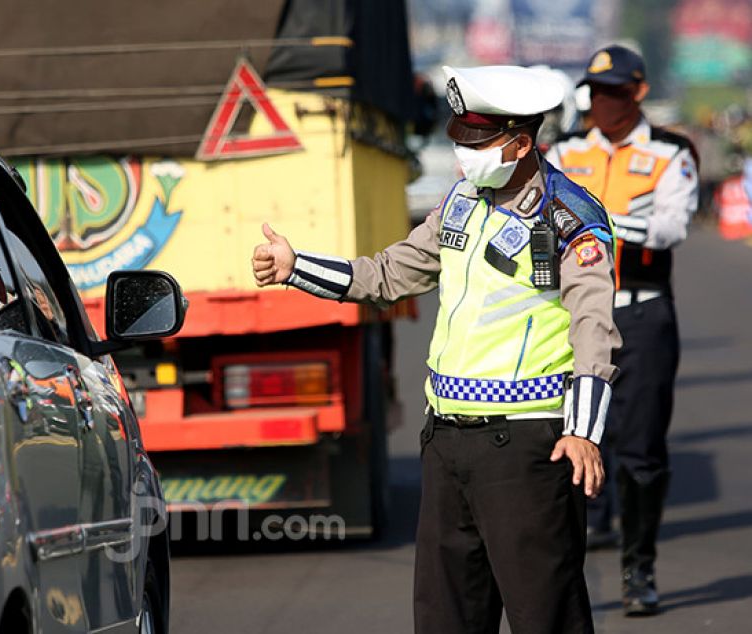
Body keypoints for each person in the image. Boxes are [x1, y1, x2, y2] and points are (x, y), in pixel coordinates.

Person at [253, 65, 619, 634]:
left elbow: (594, 327)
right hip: (446, 442)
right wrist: (296, 266)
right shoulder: (461, 202)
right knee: (445, 618)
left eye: (479, 143)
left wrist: (584, 432)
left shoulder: (570, 218)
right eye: (460, 142)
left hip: (525, 448)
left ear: (522, 143)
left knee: (544, 615)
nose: (463, 157)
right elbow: (386, 275)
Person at [547, 45, 697, 617]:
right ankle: (579, 548)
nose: (603, 101)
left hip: (642, 311)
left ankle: (640, 568)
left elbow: (669, 226)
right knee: (573, 437)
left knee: (641, 448)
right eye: (596, 90)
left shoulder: (671, 152)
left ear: (637, 91)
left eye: (614, 90)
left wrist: (593, 224)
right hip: (572, 316)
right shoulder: (563, 151)